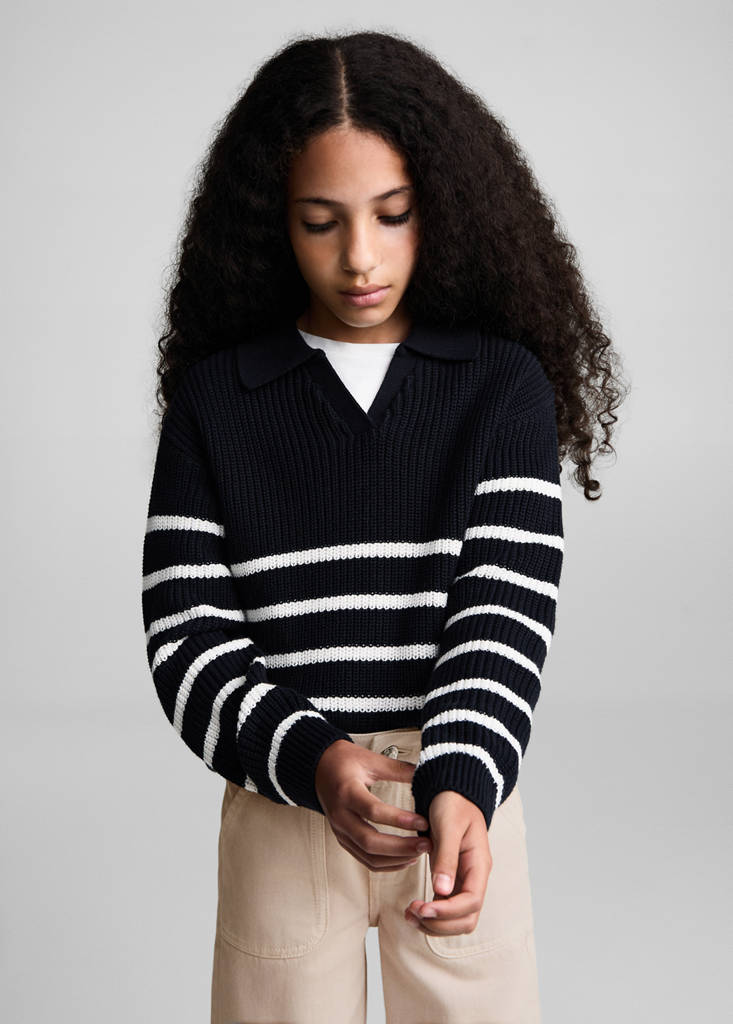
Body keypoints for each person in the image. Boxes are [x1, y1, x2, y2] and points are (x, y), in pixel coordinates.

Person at [141, 29, 628, 1024]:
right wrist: (314, 758)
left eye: (392, 215)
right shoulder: (218, 404)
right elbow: (186, 638)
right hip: (285, 799)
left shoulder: (499, 388)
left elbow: (502, 613)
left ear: (442, 205)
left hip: (457, 797)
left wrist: (463, 777)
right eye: (320, 222)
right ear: (269, 223)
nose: (359, 256)